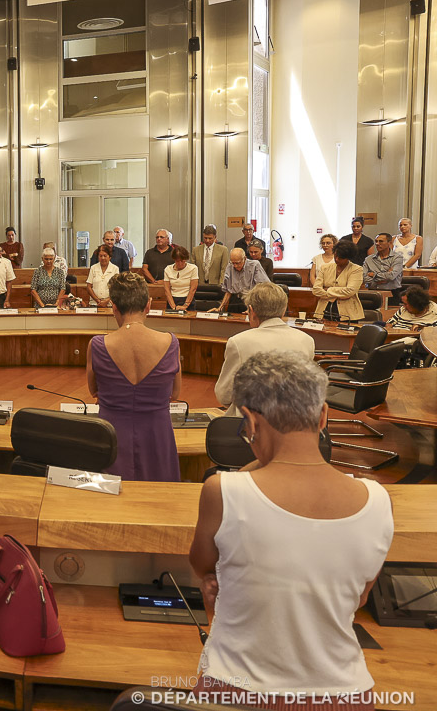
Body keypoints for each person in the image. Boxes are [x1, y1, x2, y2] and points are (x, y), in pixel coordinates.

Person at [189, 351, 393, 708]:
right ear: (324, 416)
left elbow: (205, 571)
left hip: (236, 691)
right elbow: (360, 598)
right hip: (346, 693)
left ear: (250, 422)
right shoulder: (377, 500)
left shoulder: (223, 491)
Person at [86, 272, 181, 482]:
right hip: (158, 436)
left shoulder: (98, 345)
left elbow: (94, 390)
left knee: (113, 502)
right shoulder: (170, 342)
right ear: (148, 305)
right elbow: (175, 393)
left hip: (111, 436)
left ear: (114, 306)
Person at [214, 283, 315, 410]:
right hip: (295, 419)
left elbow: (224, 395)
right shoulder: (307, 340)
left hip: (252, 422)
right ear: (284, 310)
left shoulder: (239, 342)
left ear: (251, 310)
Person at [312, 240, 364, 321]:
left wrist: (328, 290)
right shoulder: (324, 268)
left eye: (340, 258)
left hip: (347, 314)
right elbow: (316, 290)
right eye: (335, 256)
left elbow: (350, 291)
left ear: (348, 257)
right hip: (323, 312)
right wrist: (340, 292)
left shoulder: (356, 269)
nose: (336, 259)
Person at [217, 249, 270, 314]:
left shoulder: (254, 265)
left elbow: (263, 287)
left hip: (250, 299)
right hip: (235, 300)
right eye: (233, 263)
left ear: (244, 258)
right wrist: (220, 307)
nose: (235, 266)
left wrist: (252, 306)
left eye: (237, 263)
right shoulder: (230, 266)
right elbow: (228, 291)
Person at [364, 232, 403, 302]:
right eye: (376, 241)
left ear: (389, 243)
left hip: (392, 294)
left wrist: (373, 275)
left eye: (381, 241)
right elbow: (364, 277)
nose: (377, 244)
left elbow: (391, 276)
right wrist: (383, 277)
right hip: (372, 293)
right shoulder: (368, 259)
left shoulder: (397, 258)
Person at [161, 245, 198, 311]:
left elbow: (193, 289)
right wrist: (173, 307)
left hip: (188, 300)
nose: (180, 263)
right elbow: (167, 290)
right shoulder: (168, 269)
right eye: (177, 261)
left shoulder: (193, 268)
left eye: (182, 261)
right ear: (174, 260)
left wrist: (185, 305)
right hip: (172, 300)